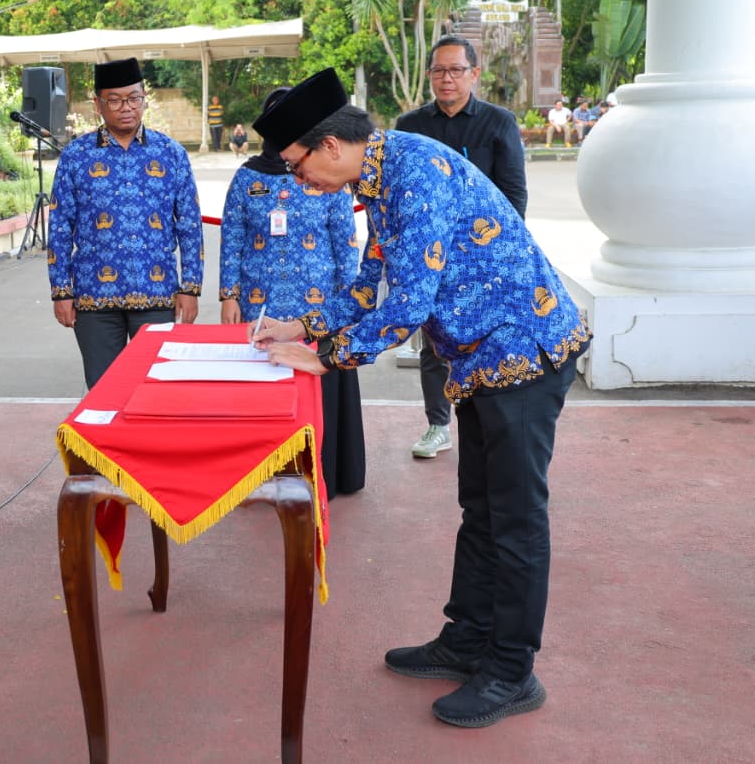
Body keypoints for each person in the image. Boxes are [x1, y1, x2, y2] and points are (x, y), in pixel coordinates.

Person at [250, 68, 591, 729]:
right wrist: (308, 326)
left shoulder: (412, 173)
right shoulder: (376, 178)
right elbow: (370, 277)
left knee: (515, 518)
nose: (298, 183)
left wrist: (326, 358)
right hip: (480, 357)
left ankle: (512, 669)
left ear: (328, 147)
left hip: (522, 349)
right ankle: (467, 638)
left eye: (295, 167)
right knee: (481, 507)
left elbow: (408, 304)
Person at [219, 89, 365, 499]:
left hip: (322, 303)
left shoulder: (328, 176)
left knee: (321, 389)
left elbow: (345, 241)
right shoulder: (248, 177)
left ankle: (327, 473)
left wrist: (348, 298)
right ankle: (262, 477)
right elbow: (231, 238)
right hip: (261, 301)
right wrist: (228, 295)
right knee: (263, 391)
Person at [395, 35, 528, 459]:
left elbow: (513, 195)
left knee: (485, 338)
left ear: (474, 74)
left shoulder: (498, 122)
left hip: (482, 256)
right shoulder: (410, 127)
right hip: (431, 255)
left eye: (455, 70)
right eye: (438, 70)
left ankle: (486, 419)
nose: (446, 79)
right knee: (434, 342)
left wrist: (499, 254)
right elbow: (400, 192)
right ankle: (438, 424)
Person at [48, 57, 203, 387]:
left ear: (144, 98)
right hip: (94, 298)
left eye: (133, 98)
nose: (126, 108)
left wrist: (191, 288)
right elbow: (60, 226)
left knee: (158, 389)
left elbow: (189, 224)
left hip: (157, 294)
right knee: (104, 390)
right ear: (98, 104)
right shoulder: (76, 156)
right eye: (115, 100)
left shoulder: (171, 153)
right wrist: (60, 291)